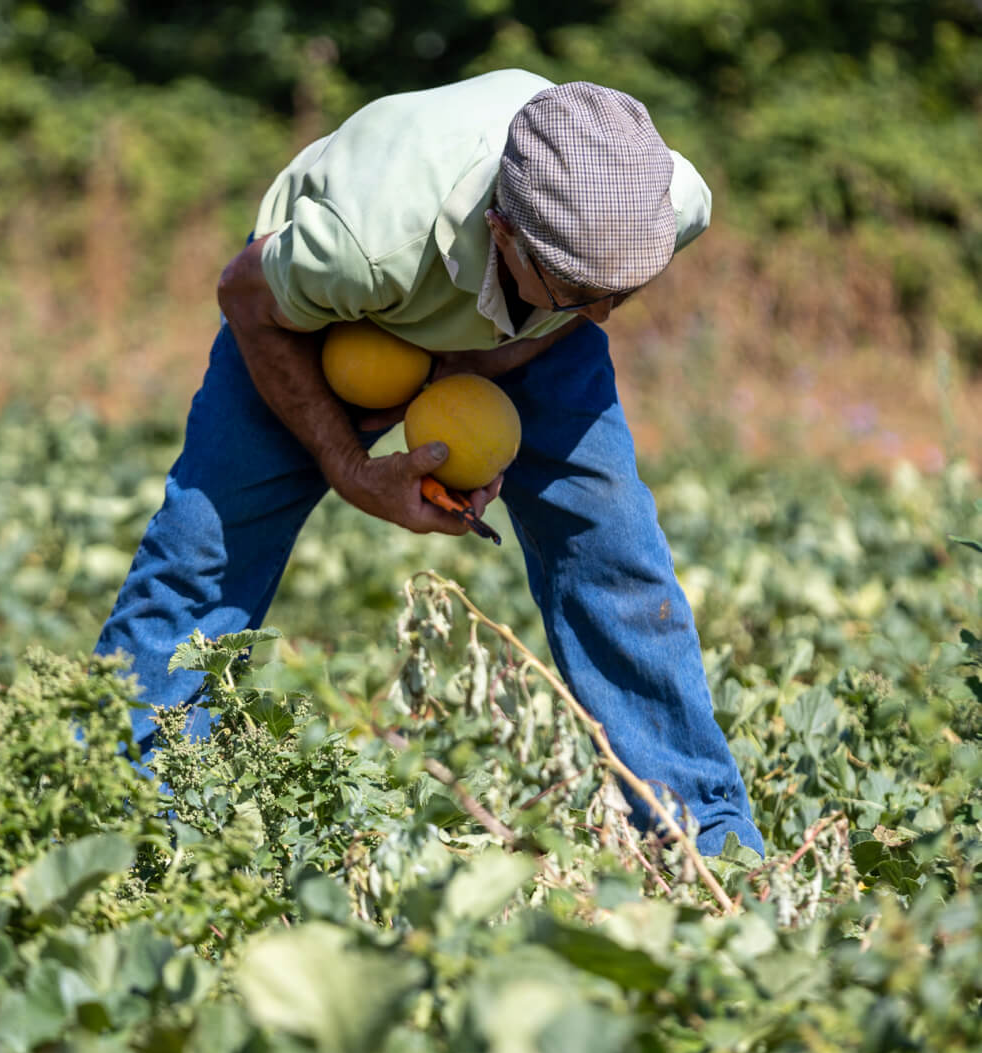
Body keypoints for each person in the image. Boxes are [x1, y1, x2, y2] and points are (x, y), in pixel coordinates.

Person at [96, 69, 764, 857]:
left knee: (617, 555)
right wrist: (350, 466)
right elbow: (243, 296)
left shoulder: (663, 204)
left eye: (624, 288)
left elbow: (590, 295)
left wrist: (481, 362)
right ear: (504, 232)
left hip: (513, 312)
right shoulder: (362, 244)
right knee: (204, 551)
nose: (608, 312)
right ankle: (132, 812)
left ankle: (701, 834)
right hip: (318, 317)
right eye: (585, 288)